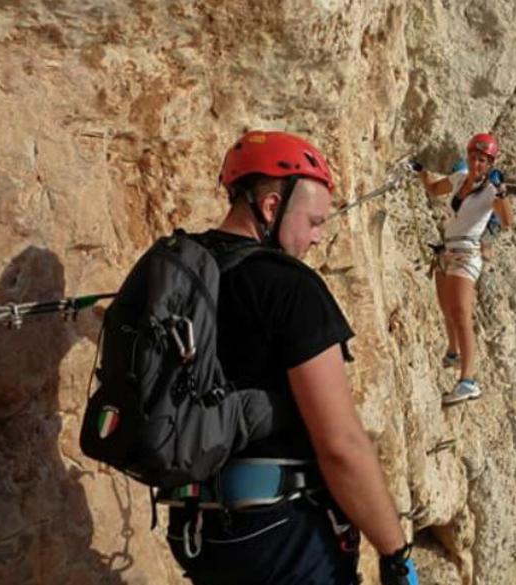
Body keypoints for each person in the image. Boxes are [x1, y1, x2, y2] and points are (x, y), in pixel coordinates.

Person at [165, 130, 417, 585]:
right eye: (315, 222)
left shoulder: (181, 273)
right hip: (281, 534)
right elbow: (341, 445)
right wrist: (395, 552)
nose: (319, 238)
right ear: (270, 207)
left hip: (197, 531)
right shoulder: (289, 288)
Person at [414, 133, 514, 405]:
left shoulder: (491, 190)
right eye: (473, 156)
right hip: (447, 249)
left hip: (467, 253)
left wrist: (502, 193)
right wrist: (422, 172)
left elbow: (506, 221)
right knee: (446, 309)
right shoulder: (459, 179)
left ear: (490, 162)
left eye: (483, 160)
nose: (477, 163)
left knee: (461, 314)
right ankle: (453, 352)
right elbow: (435, 189)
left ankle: (468, 380)